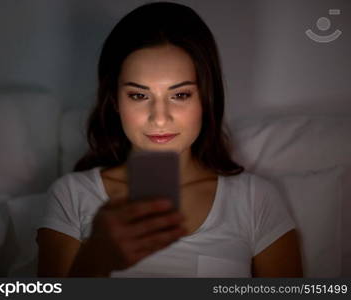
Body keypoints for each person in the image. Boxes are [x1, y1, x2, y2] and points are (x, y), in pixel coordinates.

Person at [36, 1, 302, 277]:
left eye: (180, 95)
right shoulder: (73, 194)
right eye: (139, 95)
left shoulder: (255, 199)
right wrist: (97, 257)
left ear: (206, 97)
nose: (160, 118)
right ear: (115, 100)